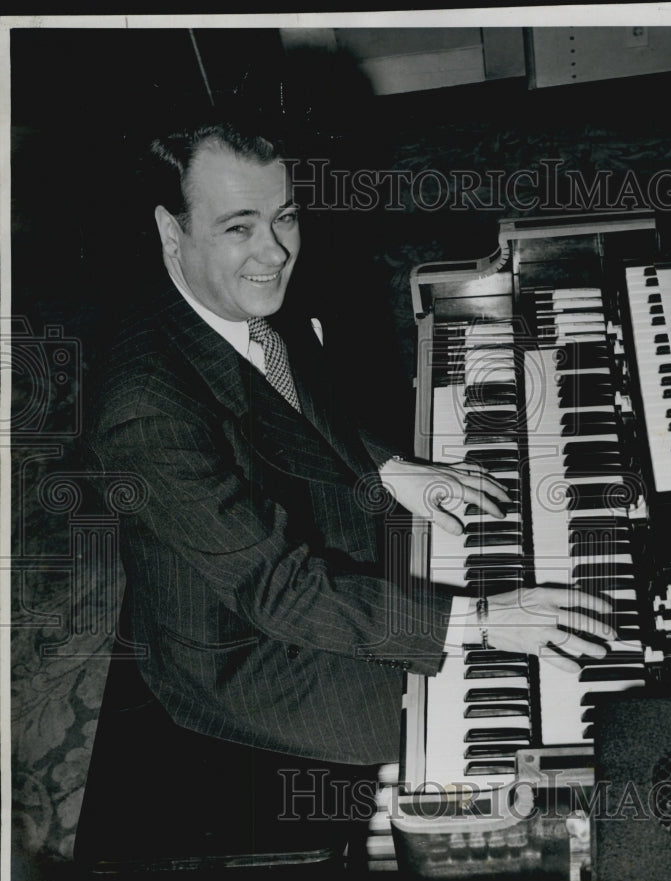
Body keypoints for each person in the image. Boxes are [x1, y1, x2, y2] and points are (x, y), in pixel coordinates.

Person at [84, 120, 612, 775]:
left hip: (311, 527)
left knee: (509, 556)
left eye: (286, 217)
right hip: (247, 644)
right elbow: (277, 593)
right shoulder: (142, 413)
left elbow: (289, 390)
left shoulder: (234, 283)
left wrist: (390, 466)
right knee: (485, 720)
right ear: (172, 230)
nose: (275, 252)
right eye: (238, 227)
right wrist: (478, 619)